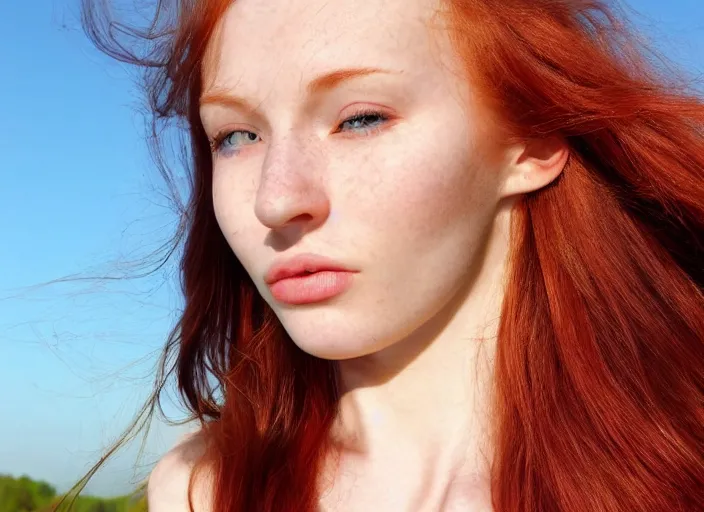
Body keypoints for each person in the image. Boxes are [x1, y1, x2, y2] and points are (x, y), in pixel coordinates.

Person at [76, 0, 704, 510]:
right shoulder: (201, 492)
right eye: (237, 135)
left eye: (360, 119)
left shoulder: (679, 472)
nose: (275, 199)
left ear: (530, 142)